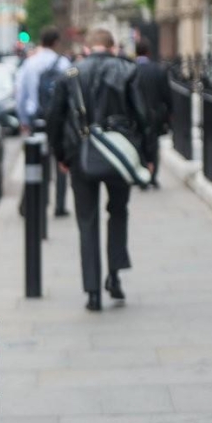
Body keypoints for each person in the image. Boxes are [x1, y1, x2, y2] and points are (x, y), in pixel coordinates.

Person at [46, 28, 155, 311]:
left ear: (87, 48)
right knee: (118, 212)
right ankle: (115, 276)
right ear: (113, 47)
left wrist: (61, 155)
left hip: (80, 155)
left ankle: (92, 292)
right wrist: (147, 155)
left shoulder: (70, 74)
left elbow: (54, 119)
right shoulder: (128, 70)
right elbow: (144, 116)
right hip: (119, 154)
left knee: (87, 220)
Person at [15, 26, 72, 217]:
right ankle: (60, 206)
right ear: (56, 42)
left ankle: (36, 203)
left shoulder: (30, 63)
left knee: (36, 161)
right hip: (59, 120)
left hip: (36, 119)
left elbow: (20, 94)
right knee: (61, 160)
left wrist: (23, 119)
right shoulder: (63, 63)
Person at [134, 37, 172, 189]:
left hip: (135, 114)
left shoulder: (131, 69)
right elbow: (166, 94)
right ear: (148, 52)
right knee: (154, 145)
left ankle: (142, 173)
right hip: (154, 114)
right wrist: (170, 111)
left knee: (139, 144)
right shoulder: (157, 70)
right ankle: (152, 176)